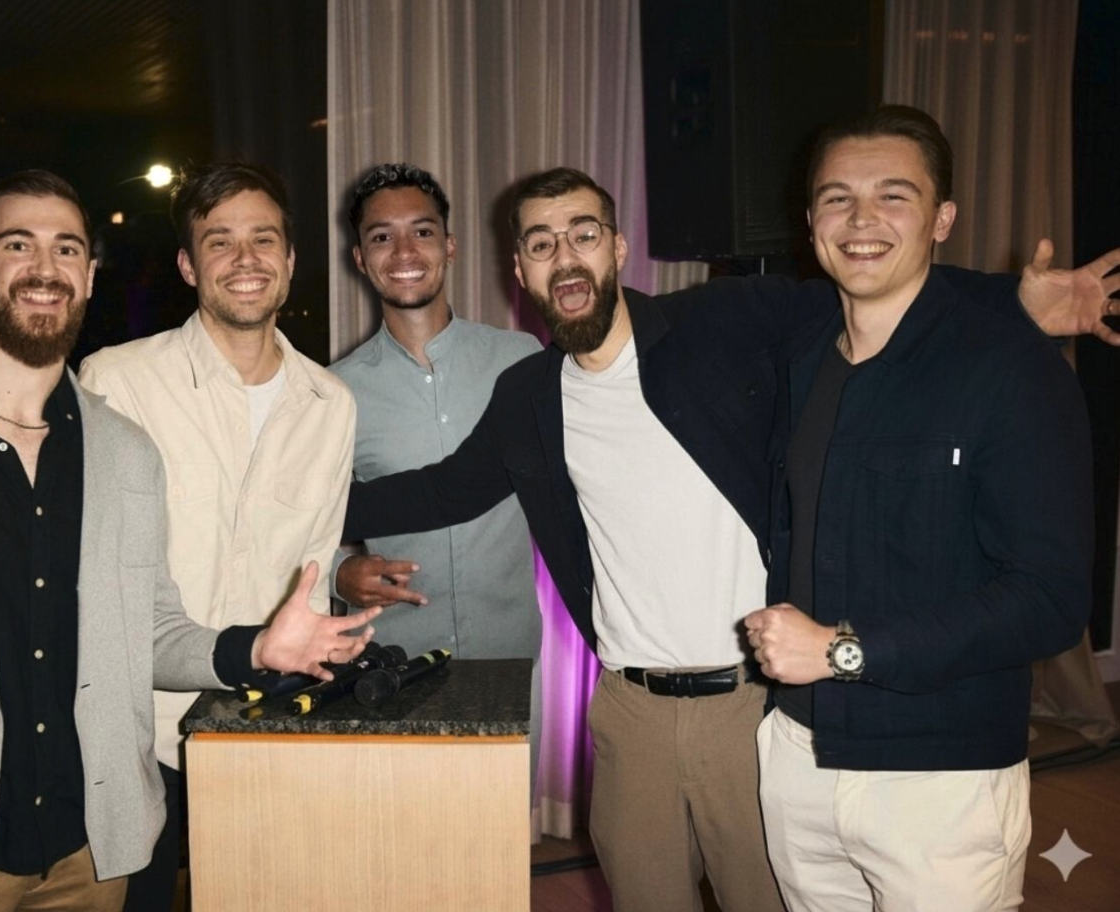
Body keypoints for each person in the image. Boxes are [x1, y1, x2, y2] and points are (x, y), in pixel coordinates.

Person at [342, 166, 1119, 912]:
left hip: (751, 700)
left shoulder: (719, 323)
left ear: (616, 248)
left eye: (583, 233)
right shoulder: (530, 395)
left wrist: (1010, 301)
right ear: (521, 268)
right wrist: (313, 518)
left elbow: (861, 291)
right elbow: (445, 488)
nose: (564, 255)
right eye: (542, 243)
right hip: (630, 713)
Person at [0, 170, 379, 912]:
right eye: (18, 245)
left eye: (66, 249)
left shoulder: (125, 452)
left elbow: (148, 627)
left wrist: (256, 650)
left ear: (87, 275)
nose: (44, 268)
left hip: (95, 851)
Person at [743, 105, 1094, 912]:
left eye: (893, 196)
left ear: (942, 219)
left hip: (942, 781)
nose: (861, 219)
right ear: (809, 221)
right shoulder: (799, 357)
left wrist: (840, 651)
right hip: (798, 758)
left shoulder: (1014, 371)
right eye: (837, 198)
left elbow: (1049, 600)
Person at [77, 161, 355, 911]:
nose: (245, 260)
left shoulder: (330, 404)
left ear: (291, 262)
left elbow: (315, 571)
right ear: (187, 264)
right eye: (220, 241)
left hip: (267, 724)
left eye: (264, 240)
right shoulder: (116, 382)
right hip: (143, 738)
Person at [330, 163, 544, 781]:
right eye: (381, 236)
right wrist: (343, 575)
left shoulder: (522, 361)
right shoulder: (333, 393)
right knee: (404, 855)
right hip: (389, 666)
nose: (403, 252)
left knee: (497, 862)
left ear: (449, 246)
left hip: (508, 657)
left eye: (422, 232)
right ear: (361, 258)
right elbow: (305, 524)